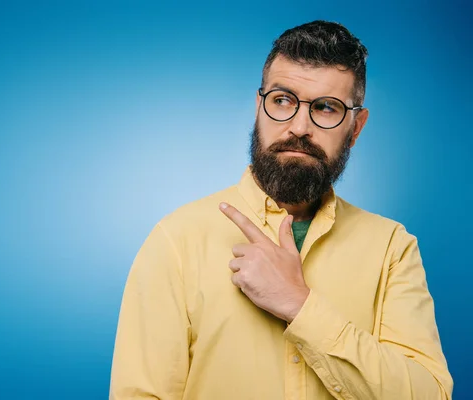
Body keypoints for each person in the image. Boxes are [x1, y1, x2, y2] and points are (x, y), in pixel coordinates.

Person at [109, 20, 453, 399]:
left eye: (326, 108)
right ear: (259, 107)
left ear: (356, 127)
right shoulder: (176, 241)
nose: (299, 127)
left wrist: (301, 306)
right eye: (283, 101)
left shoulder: (392, 249)